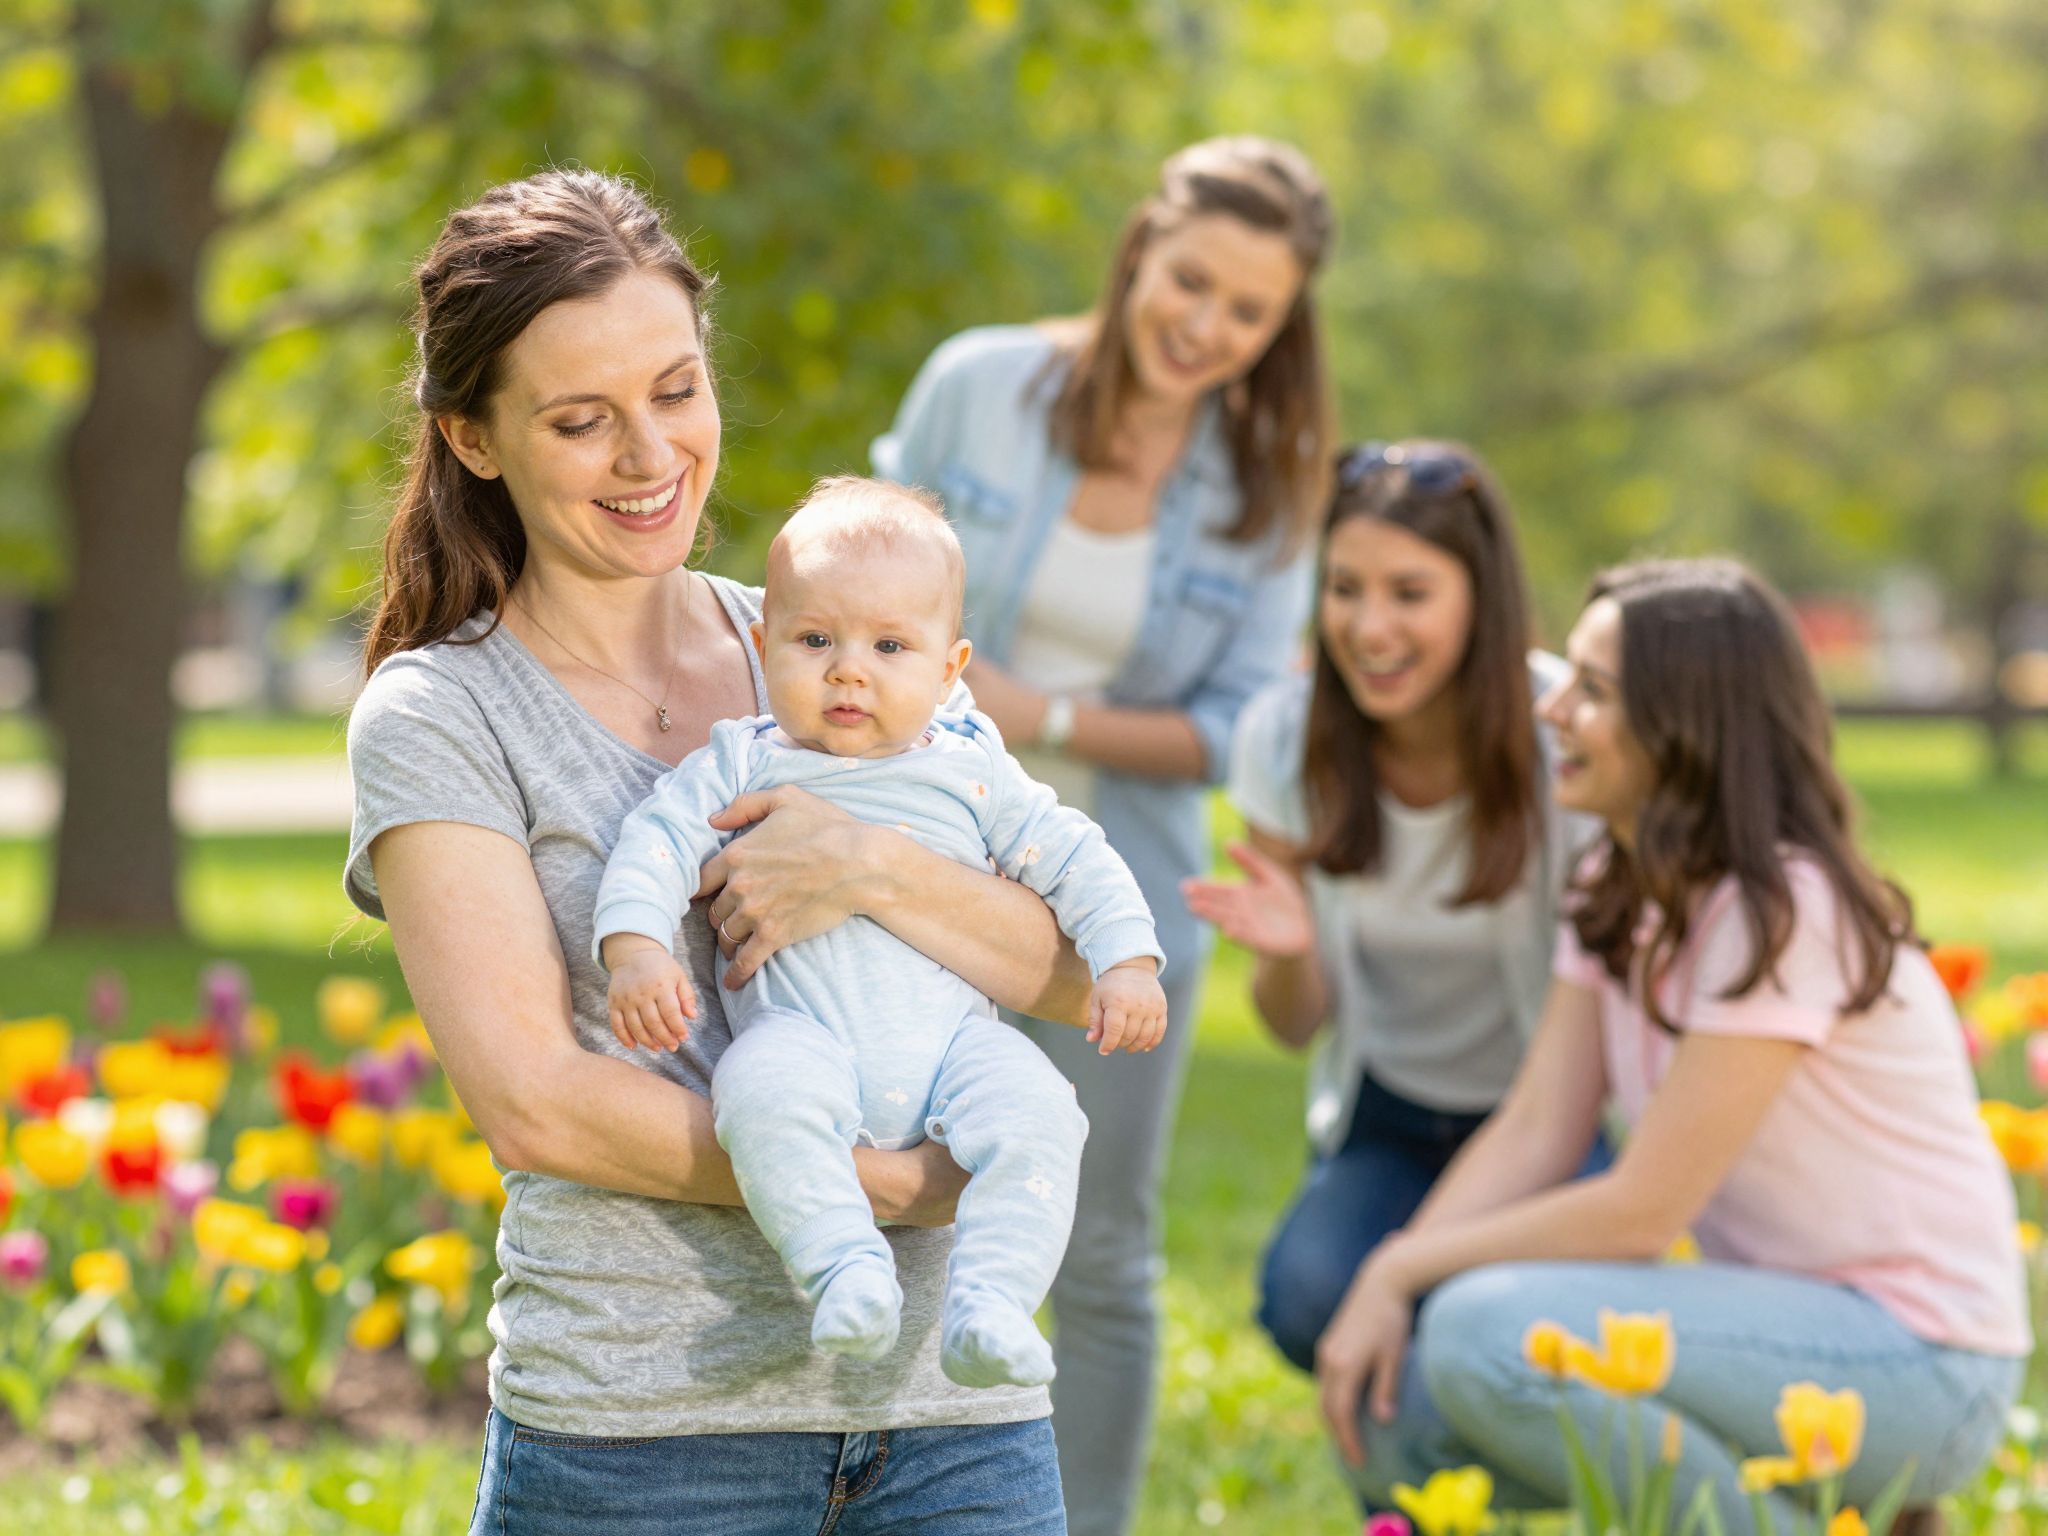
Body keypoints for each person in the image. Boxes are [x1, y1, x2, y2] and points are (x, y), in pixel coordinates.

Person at [347, 170, 1098, 1534]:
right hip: (649, 1438)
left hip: (951, 1419)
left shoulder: (848, 635)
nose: (651, 458)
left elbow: (1065, 969)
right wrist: (898, 1191)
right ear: (472, 438)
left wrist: (870, 870)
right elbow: (538, 1103)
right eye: (582, 421)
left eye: (676, 391)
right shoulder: (442, 712)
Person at [1311, 558, 2027, 1529]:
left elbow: (1643, 1211)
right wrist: (1384, 1289)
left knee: (1483, 1333)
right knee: (1401, 1409)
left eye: (1591, 690)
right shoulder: (1616, 880)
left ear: (1687, 726)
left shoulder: (1783, 910)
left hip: (1920, 1360)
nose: (1552, 709)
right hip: (1767, 1329)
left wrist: (1399, 1268)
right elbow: (1534, 1129)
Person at [872, 134, 1334, 1536]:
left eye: (1247, 312)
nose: (1206, 326)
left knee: (1102, 1240)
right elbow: (861, 564)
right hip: (913, 857)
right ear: (1142, 248)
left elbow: (1245, 720)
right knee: (898, 1202)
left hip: (1120, 888)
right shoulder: (979, 382)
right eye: (1190, 281)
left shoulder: (1268, 480)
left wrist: (1041, 711)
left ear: (1279, 326)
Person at [594, 476, 1167, 1388]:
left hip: (957, 1051)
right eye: (814, 640)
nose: (848, 669)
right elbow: (654, 843)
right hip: (803, 1034)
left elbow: (1079, 858)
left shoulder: (974, 769)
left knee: (1043, 1113)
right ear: (762, 644)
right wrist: (635, 947)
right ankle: (843, 1272)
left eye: (890, 645)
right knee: (759, 1095)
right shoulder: (743, 757)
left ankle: (993, 1302)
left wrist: (1128, 963)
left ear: (949, 669)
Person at [1182, 440, 1598, 1377]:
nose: (1370, 628)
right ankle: (1403, 1524)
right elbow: (1292, 1029)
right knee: (1309, 1297)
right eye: (1345, 589)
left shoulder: (1560, 729)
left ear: (1478, 598)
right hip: (1392, 1111)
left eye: (1410, 594)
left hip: (1552, 1114)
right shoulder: (1285, 740)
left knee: (1517, 1321)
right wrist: (1289, 952)